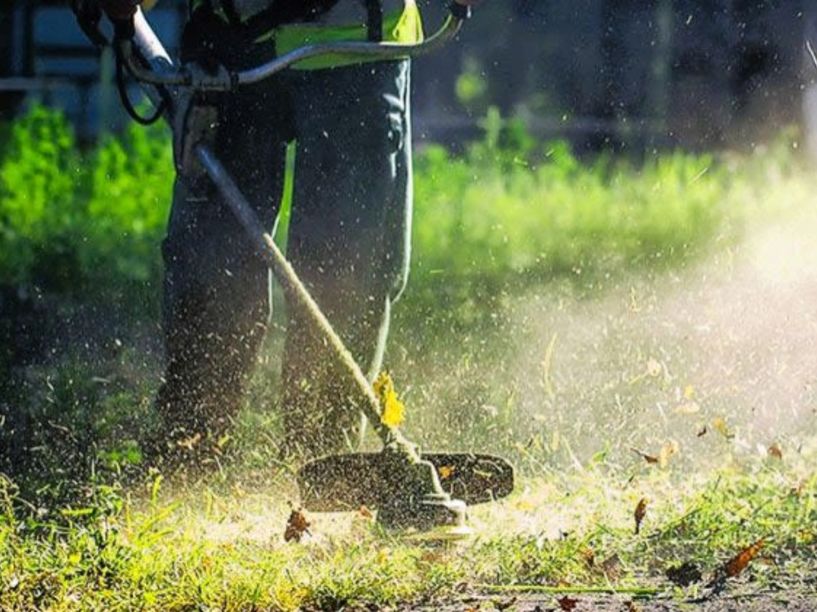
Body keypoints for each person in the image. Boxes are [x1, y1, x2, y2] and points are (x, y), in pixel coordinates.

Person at [73, 0, 475, 467]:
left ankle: (324, 466)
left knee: (346, 272)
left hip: (358, 48)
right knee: (212, 267)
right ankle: (190, 451)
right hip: (231, 49)